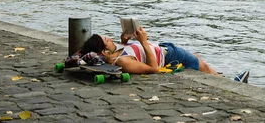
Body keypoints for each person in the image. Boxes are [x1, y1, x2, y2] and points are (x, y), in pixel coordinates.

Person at [79, 26, 250, 82]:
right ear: (104, 51)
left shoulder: (115, 54)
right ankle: (233, 83)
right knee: (200, 64)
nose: (110, 39)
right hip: (168, 55)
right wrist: (144, 41)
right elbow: (152, 68)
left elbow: (131, 52)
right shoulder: (123, 62)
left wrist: (125, 40)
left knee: (198, 60)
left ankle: (224, 80)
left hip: (164, 49)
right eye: (107, 40)